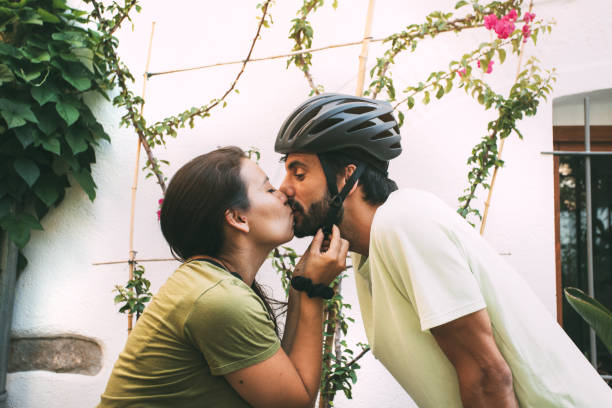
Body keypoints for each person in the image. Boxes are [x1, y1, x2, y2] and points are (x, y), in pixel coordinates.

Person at [274, 93, 612, 407]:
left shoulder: (404, 222)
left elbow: (487, 376)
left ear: (348, 176)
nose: (284, 188)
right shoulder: (369, 249)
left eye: (299, 173)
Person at [98, 146, 349, 408]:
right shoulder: (218, 299)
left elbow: (287, 377)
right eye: (268, 189)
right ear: (238, 218)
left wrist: (302, 282)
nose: (284, 192)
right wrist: (314, 289)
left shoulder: (209, 282)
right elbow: (294, 404)